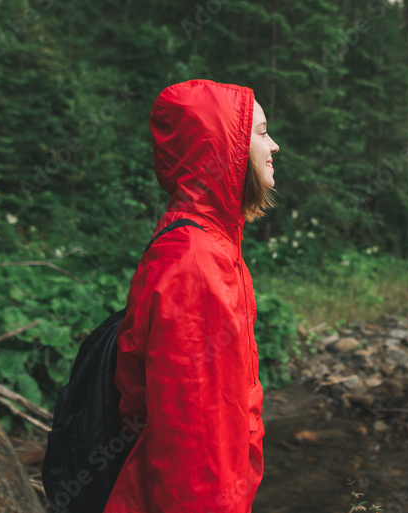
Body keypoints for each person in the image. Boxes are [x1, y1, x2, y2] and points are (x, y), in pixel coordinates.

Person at [103, 79, 280, 513]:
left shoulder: (208, 246)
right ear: (224, 149)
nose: (273, 145)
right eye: (259, 132)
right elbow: (193, 452)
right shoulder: (196, 264)